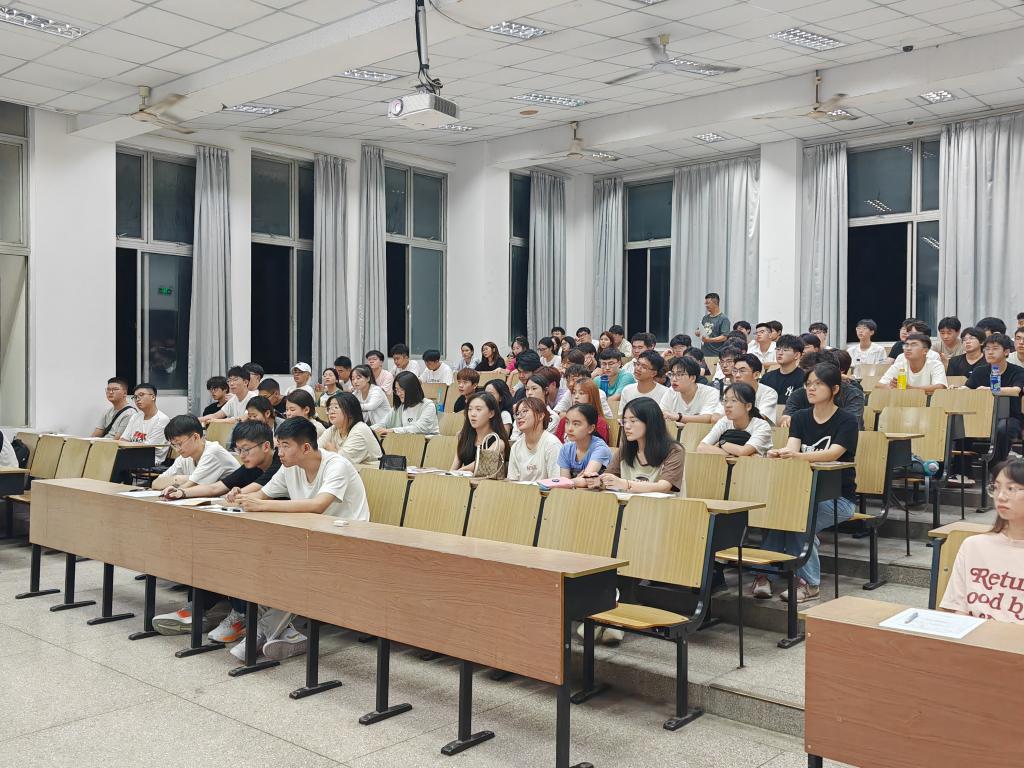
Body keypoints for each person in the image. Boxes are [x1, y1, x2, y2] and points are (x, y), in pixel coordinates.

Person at [235, 417, 369, 660]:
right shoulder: (289, 467)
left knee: (296, 570)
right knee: (261, 562)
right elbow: (262, 494)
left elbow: (318, 505)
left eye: (285, 446)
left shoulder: (336, 465)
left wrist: (262, 505)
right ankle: (287, 634)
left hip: (348, 540)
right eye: (278, 446)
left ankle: (259, 632)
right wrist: (240, 495)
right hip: (310, 537)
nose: (279, 452)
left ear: (306, 447)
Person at [155, 420, 281, 643]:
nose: (242, 455)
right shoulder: (249, 466)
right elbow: (217, 487)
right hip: (251, 526)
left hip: (274, 534)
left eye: (246, 449)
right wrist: (182, 493)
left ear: (266, 446)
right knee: (209, 547)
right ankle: (199, 607)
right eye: (238, 450)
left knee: (233, 552)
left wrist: (235, 495)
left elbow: (253, 491)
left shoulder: (280, 464)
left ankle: (241, 615)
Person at [758, 363, 859, 603]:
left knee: (799, 521)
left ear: (834, 389)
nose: (811, 388)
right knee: (778, 517)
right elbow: (792, 447)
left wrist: (797, 456)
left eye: (818, 384)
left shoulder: (847, 420)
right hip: (802, 494)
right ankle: (766, 575)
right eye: (808, 384)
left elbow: (833, 453)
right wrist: (781, 453)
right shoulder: (801, 417)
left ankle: (810, 584)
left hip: (838, 498)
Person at [940, 459, 1024, 624]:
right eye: (996, 488)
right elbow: (958, 610)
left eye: (1011, 489)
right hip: (973, 636)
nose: (1001, 497)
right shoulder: (973, 546)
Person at [597, 396, 685, 493]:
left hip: (660, 503)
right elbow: (608, 479)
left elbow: (664, 487)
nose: (626, 426)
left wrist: (626, 484)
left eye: (633, 421)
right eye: (624, 421)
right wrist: (597, 481)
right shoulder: (625, 450)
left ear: (651, 422)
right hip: (628, 502)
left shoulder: (674, 450)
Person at [964, 333, 1024, 464]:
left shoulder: (1017, 371)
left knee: (1002, 428)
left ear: (1006, 352)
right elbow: (968, 388)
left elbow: (1016, 390)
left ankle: (996, 465)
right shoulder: (980, 371)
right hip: (981, 415)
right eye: (987, 349)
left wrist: (991, 390)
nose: (990, 352)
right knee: (960, 426)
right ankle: (962, 470)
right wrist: (957, 389)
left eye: (995, 348)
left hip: (1010, 417)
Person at [152, 414, 239, 491]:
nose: (177, 449)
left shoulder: (213, 452)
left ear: (195, 437)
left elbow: (188, 488)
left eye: (179, 444)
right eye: (174, 445)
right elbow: (156, 483)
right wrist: (179, 479)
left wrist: (178, 480)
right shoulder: (185, 457)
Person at [781, 350, 865, 429]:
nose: (810, 386)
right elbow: (787, 417)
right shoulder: (799, 394)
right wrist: (786, 420)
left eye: (818, 380)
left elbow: (850, 426)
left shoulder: (853, 394)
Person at [697, 383, 773, 457]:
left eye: (733, 400)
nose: (727, 405)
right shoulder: (724, 421)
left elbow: (743, 451)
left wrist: (722, 443)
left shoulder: (761, 426)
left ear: (748, 406)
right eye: (725, 400)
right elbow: (701, 447)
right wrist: (731, 453)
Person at [452, 392, 509, 477]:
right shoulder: (464, 436)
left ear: (491, 413)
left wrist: (458, 472)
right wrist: (449, 475)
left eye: (478, 409)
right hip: (463, 481)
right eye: (470, 409)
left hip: (485, 484)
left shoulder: (498, 442)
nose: (472, 414)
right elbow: (455, 465)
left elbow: (480, 464)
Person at [319, 392, 384, 466]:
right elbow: (315, 451)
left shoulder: (360, 429)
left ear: (350, 411)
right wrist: (333, 452)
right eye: (329, 408)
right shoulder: (334, 428)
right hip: (349, 471)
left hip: (371, 472)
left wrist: (331, 449)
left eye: (336, 407)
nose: (331, 411)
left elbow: (341, 461)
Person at [557, 403, 613, 485]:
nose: (569, 428)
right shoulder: (566, 448)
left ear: (591, 428)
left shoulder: (600, 448)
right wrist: (576, 480)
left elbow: (586, 481)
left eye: (576, 424)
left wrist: (573, 481)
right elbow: (564, 483)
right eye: (567, 422)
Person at [508, 397, 562, 481]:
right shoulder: (516, 447)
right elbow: (512, 481)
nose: (519, 417)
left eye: (524, 411)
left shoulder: (552, 444)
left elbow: (556, 482)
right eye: (517, 413)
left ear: (540, 416)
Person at [661, 356, 724, 425]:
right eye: (672, 374)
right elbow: (662, 413)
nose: (673, 379)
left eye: (679, 375)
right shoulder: (671, 392)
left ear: (692, 378)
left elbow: (708, 418)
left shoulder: (710, 392)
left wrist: (678, 417)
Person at [373, 371, 439, 436]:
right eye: (396, 390)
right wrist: (370, 430)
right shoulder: (400, 406)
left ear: (412, 389)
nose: (398, 393)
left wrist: (392, 430)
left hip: (430, 441)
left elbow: (420, 428)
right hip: (408, 441)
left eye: (402, 389)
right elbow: (383, 423)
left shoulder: (428, 405)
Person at [878, 333, 947, 393]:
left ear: (925, 351)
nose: (908, 348)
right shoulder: (899, 365)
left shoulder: (935, 365)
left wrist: (911, 389)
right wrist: (891, 386)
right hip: (902, 401)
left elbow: (940, 387)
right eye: (906, 345)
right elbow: (879, 385)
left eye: (913, 345)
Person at [119, 382, 170, 463]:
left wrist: (128, 446)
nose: (137, 399)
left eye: (141, 395)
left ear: (153, 397)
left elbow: (147, 448)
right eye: (135, 397)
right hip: (132, 456)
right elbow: (123, 440)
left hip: (151, 460)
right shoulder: (135, 417)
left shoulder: (161, 419)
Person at [554, 377, 610, 443]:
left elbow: (599, 446)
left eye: (581, 393)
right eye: (574, 393)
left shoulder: (599, 422)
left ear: (591, 396)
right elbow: (557, 443)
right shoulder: (565, 420)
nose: (576, 396)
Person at [731, 353, 779, 419]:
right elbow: (719, 415)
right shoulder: (730, 392)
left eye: (742, 371)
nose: (737, 375)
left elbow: (761, 418)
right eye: (735, 371)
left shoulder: (769, 393)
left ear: (756, 375)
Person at [761, 334, 806, 405]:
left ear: (797, 355)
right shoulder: (767, 377)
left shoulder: (804, 378)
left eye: (785, 350)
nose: (780, 353)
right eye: (778, 349)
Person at [697, 292, 731, 357]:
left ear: (715, 303)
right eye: (705, 303)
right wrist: (697, 332)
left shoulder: (723, 319)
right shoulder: (705, 318)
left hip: (716, 354)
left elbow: (724, 337)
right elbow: (699, 329)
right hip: (704, 353)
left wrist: (709, 340)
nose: (706, 305)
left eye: (708, 303)